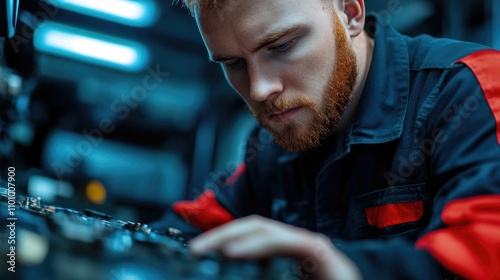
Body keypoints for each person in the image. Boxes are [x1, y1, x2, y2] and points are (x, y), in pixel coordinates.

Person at [162, 0, 500, 279]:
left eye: (281, 46)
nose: (259, 89)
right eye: (234, 63)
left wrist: (344, 265)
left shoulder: (473, 89)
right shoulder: (272, 144)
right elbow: (190, 226)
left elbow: (485, 259)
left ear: (350, 14)